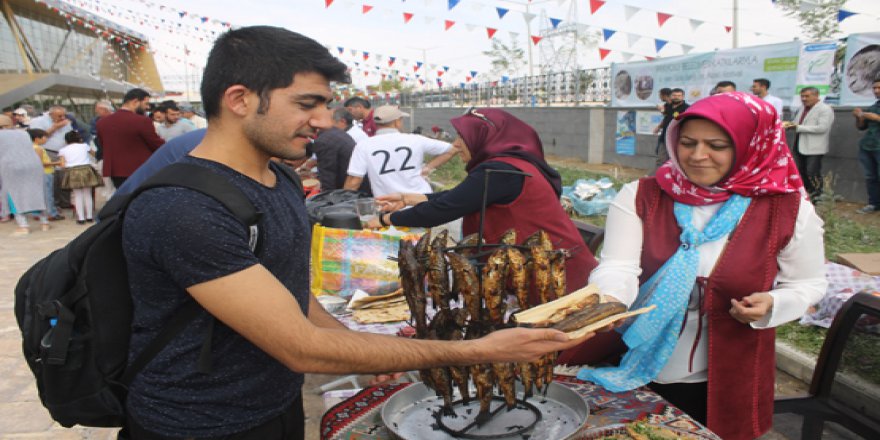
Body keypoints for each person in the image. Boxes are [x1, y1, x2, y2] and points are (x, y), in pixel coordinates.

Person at [120, 26, 589, 439]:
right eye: (308, 104)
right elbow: (300, 347)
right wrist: (474, 351)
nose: (325, 121)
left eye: (325, 104)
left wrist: (365, 354)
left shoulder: (279, 180)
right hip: (195, 422)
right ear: (240, 99)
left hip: (274, 404)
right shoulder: (184, 208)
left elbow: (286, 294)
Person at [575, 92, 826, 439]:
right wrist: (610, 301)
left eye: (717, 145)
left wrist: (774, 304)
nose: (697, 155)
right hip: (638, 363)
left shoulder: (786, 209)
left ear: (750, 145)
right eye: (688, 142)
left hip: (733, 371)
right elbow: (618, 265)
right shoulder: (642, 195)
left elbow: (808, 283)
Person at [369, 108, 598, 303]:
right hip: (536, 266)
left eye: (463, 137)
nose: (457, 145)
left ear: (484, 136)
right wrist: (409, 199)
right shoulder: (503, 166)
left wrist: (384, 220)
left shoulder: (501, 171)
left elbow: (445, 208)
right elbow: (462, 197)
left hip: (555, 274)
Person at [344, 105, 457, 196]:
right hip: (420, 199)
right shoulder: (415, 139)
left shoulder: (364, 145)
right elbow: (452, 149)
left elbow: (354, 181)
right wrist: (429, 167)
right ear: (397, 122)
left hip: (388, 204)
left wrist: (343, 203)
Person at [97, 88, 165, 189]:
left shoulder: (102, 123)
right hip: (140, 170)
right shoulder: (142, 121)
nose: (147, 107)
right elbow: (156, 144)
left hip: (114, 171)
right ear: (135, 102)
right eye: (145, 103)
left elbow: (103, 146)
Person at [0, 115, 48, 235]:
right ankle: (44, 222)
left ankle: (23, 225)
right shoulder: (23, 133)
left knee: (13, 194)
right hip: (33, 164)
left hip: (11, 166)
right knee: (36, 193)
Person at [784, 87, 834, 199]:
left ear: (816, 96)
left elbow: (822, 128)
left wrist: (798, 127)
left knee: (812, 172)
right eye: (802, 96)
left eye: (807, 96)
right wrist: (789, 125)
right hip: (799, 145)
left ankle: (817, 196)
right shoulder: (802, 108)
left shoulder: (825, 109)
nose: (804, 99)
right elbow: (797, 123)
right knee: (800, 172)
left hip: (815, 147)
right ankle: (805, 194)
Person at [312, 108, 368, 193]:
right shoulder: (335, 133)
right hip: (357, 184)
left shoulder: (325, 140)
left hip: (352, 188)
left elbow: (328, 175)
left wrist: (327, 198)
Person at [58, 131, 102, 224]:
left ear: (66, 140)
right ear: (79, 138)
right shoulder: (84, 146)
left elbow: (62, 164)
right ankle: (89, 217)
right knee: (88, 194)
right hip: (86, 170)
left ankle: (81, 218)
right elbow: (95, 154)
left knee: (77, 195)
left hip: (73, 171)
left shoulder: (63, 150)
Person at [854, 78, 880, 214]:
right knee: (871, 176)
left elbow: (876, 119)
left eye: (879, 88)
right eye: (874, 88)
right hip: (868, 146)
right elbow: (861, 127)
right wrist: (859, 117)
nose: (876, 91)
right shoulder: (873, 106)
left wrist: (876, 118)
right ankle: (873, 203)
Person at [28, 128, 63, 223]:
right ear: (37, 139)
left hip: (37, 174)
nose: (46, 139)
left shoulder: (30, 147)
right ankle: (51, 213)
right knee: (48, 194)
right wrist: (57, 162)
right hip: (45, 173)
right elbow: (40, 163)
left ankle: (38, 213)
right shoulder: (38, 148)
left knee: (40, 194)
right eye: (44, 137)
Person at [652, 88, 689, 171]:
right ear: (671, 96)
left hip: (677, 138)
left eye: (679, 96)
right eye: (674, 95)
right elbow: (666, 117)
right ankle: (657, 179)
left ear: (683, 97)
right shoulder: (667, 105)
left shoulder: (686, 108)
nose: (676, 97)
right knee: (660, 160)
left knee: (675, 161)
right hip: (664, 137)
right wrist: (659, 127)